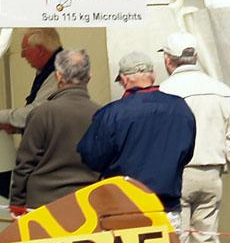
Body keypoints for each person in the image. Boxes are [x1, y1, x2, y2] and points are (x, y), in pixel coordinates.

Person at [159, 32, 230, 243]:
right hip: (211, 173)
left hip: (178, 174)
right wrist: (223, 164)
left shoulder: (166, 91)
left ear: (169, 60)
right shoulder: (221, 89)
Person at [77, 51, 196, 231]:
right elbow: (187, 152)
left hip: (124, 208)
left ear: (125, 79)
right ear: (153, 75)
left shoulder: (111, 114)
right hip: (166, 208)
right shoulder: (180, 108)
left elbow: (92, 157)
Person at [10, 49, 100, 209]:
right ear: (89, 77)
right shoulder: (101, 116)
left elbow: (24, 165)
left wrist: (17, 204)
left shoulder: (41, 114)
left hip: (43, 206)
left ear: (58, 76)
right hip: (88, 204)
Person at [0, 28, 64, 133]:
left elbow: (38, 113)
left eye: (24, 50)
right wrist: (18, 127)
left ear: (40, 50)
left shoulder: (59, 74)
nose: (22, 55)